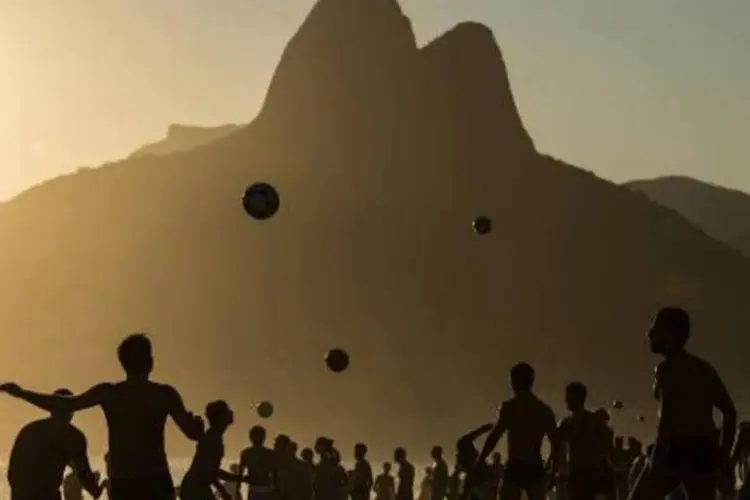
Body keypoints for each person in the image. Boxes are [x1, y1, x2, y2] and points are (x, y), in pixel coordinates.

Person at [1, 333, 204, 500]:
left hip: (123, 481)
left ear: (123, 363)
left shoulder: (109, 393)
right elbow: (193, 433)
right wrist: (199, 426)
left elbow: (66, 404)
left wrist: (22, 394)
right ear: (151, 362)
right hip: (155, 479)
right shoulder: (165, 394)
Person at [628, 307, 737, 500]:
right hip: (704, 451)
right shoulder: (703, 369)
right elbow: (729, 412)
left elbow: (668, 418)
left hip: (676, 449)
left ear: (671, 333)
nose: (649, 333)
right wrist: (722, 455)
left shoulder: (667, 369)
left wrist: (656, 462)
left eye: (656, 328)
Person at [474, 362, 558, 500]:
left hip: (515, 466)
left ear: (515, 381)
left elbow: (494, 437)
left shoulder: (510, 408)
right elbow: (556, 444)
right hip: (534, 467)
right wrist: (553, 471)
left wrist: (480, 459)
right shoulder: (543, 410)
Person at [6, 388, 104, 500]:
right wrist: (96, 490)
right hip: (47, 494)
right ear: (73, 410)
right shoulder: (74, 437)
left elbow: (13, 470)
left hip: (23, 493)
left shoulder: (30, 430)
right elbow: (83, 473)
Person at [181, 401, 249, 500]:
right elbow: (212, 471)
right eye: (227, 411)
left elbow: (211, 471)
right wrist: (240, 479)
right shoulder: (213, 439)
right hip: (195, 488)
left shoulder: (214, 436)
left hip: (196, 486)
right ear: (221, 417)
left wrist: (223, 491)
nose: (231, 412)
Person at [557, 382, 613, 500]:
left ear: (577, 398)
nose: (566, 400)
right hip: (585, 471)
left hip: (582, 472)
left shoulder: (569, 423)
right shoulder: (591, 421)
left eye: (568, 397)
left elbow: (558, 447)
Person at [239, 425, 279, 500]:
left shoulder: (246, 453)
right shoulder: (270, 453)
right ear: (264, 438)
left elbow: (240, 473)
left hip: (259, 489)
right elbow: (275, 474)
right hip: (265, 489)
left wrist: (238, 488)